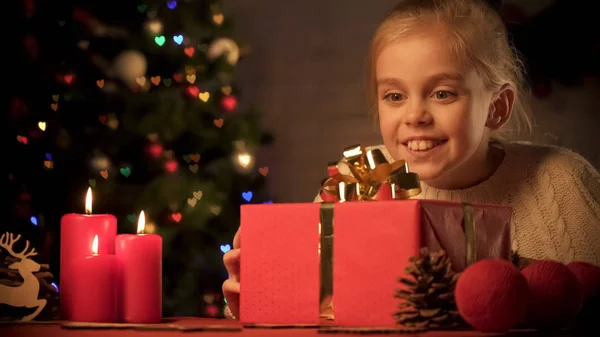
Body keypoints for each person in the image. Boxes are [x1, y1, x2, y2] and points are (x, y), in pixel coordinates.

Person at [222, 0, 600, 320]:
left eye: (442, 93)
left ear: (497, 107)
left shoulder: (560, 182)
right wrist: (256, 289)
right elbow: (314, 303)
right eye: (395, 96)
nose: (415, 115)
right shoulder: (358, 180)